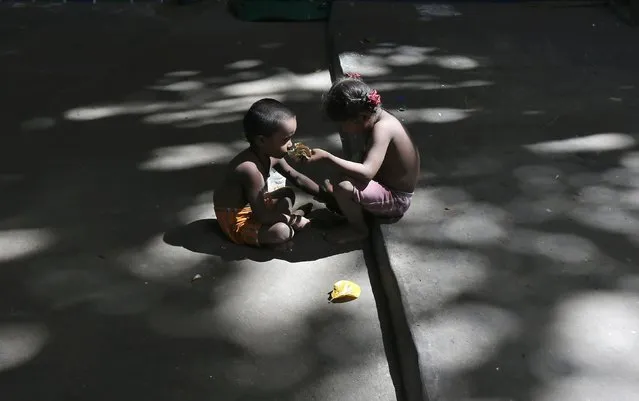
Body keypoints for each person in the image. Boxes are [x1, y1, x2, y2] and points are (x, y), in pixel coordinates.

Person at [299, 74, 420, 243]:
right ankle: (355, 207)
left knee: (343, 187)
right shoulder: (378, 119)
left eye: (344, 124)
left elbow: (367, 172)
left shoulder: (383, 128)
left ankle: (358, 229)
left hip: (397, 200)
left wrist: (327, 157)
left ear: (362, 116)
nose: (343, 129)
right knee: (337, 182)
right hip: (384, 185)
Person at [213, 98, 328, 249]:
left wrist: (327, 197)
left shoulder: (271, 154)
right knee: (282, 232)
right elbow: (262, 215)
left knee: (287, 193)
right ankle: (278, 230)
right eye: (285, 139)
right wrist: (293, 220)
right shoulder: (249, 169)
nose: (291, 144)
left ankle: (283, 222)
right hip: (238, 219)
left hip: (255, 205)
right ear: (261, 140)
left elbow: (297, 178)